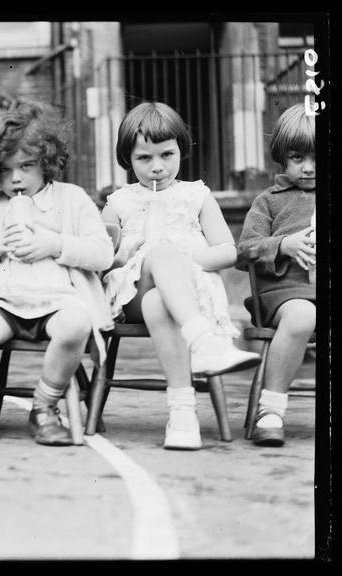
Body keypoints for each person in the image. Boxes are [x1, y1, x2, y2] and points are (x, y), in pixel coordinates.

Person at [0, 101, 115, 446]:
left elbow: (102, 253)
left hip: (57, 299)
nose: (15, 178)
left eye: (26, 166)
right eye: (6, 169)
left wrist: (54, 245)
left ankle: (45, 404)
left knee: (75, 326)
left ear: (46, 162)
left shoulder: (71, 199)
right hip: (2, 301)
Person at [101, 101, 261, 450]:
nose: (157, 167)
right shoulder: (119, 201)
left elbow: (228, 250)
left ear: (181, 150)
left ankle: (183, 414)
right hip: (134, 296)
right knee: (159, 255)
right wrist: (124, 253)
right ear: (127, 158)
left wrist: (182, 260)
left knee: (164, 299)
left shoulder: (197, 196)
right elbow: (100, 258)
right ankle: (204, 341)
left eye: (166, 155)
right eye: (144, 158)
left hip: (187, 295)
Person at [237, 103, 316, 447]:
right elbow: (244, 251)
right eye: (299, 157)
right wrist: (283, 244)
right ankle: (271, 409)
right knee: (302, 315)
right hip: (284, 295)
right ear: (283, 158)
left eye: (317, 156)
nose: (309, 167)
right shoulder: (269, 201)